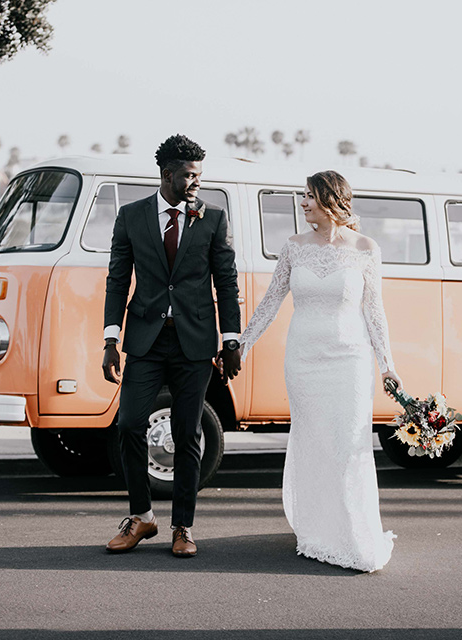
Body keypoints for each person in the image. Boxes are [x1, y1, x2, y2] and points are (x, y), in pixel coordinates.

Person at [239, 170, 401, 572]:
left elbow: (375, 312)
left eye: (309, 196)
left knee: (349, 445)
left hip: (350, 359)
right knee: (315, 442)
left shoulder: (365, 248)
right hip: (304, 361)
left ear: (330, 200)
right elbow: (271, 302)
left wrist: (387, 366)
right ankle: (318, 530)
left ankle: (354, 533)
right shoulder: (293, 248)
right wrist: (242, 344)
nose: (303, 203)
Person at [101, 134, 242, 558]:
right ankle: (142, 516)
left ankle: (183, 526)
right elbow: (117, 279)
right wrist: (111, 338)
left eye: (199, 174)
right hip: (145, 340)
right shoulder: (130, 216)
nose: (196, 182)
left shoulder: (213, 219)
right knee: (128, 425)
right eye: (189, 175)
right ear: (167, 174)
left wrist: (231, 339)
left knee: (186, 433)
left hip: (195, 343)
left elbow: (227, 281)